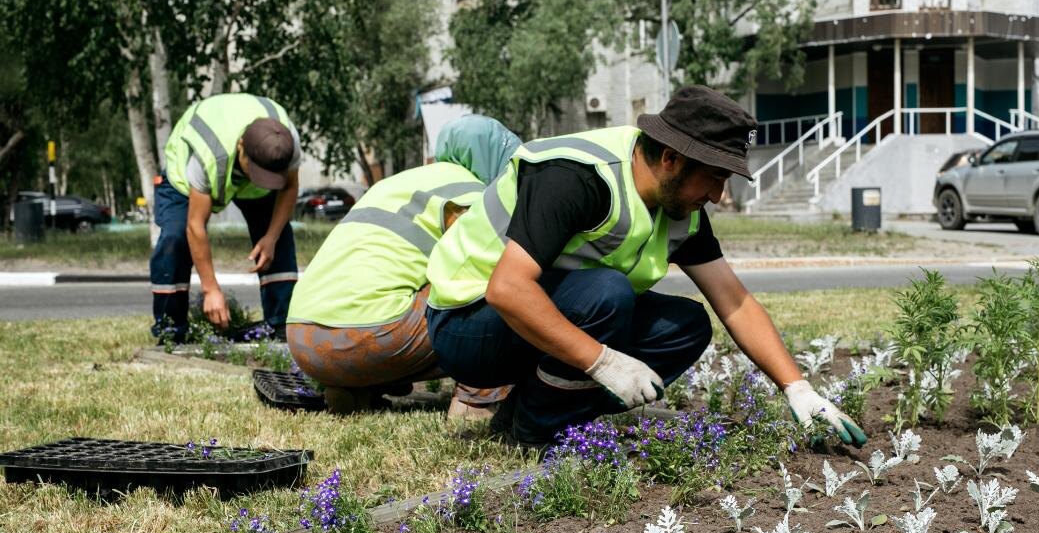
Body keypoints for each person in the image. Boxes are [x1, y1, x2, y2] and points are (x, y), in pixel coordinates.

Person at [424, 85, 869, 448]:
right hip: (468, 322)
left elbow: (733, 302)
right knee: (608, 294)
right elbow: (507, 290)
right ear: (671, 159)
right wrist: (603, 363)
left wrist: (798, 389)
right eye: (715, 175)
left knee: (687, 325)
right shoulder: (578, 175)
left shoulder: (682, 208)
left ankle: (531, 410)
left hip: (536, 321)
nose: (719, 194)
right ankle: (537, 431)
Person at [286, 115, 520, 415]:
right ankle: (478, 401)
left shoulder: (396, 182)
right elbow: (485, 274)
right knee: (499, 289)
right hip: (367, 337)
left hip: (303, 340)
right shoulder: (470, 194)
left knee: (404, 286)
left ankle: (353, 388)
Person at [151, 93, 301, 342]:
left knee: (279, 236)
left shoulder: (286, 143)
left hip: (245, 164)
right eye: (257, 172)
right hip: (186, 176)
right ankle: (171, 329)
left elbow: (289, 188)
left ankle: (280, 325)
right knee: (174, 239)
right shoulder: (209, 155)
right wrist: (210, 289)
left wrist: (271, 237)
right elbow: (195, 226)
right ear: (241, 146)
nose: (259, 179)